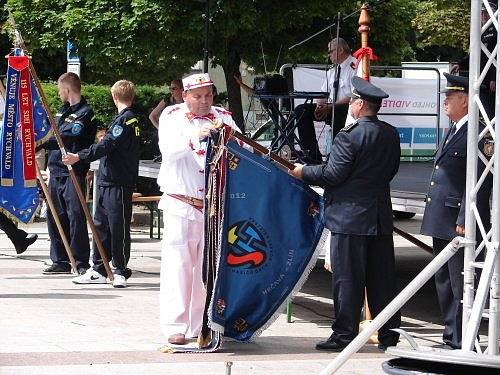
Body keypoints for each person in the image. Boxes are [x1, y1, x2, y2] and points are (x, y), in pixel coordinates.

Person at [289, 76, 401, 351]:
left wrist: (304, 172)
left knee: (348, 280)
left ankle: (343, 335)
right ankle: (389, 335)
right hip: (378, 218)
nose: (350, 104)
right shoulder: (389, 133)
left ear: (361, 104)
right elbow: (391, 171)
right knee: (382, 281)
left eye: (352, 100)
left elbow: (332, 174)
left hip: (350, 219)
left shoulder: (348, 136)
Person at [157, 73, 240, 345]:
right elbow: (169, 150)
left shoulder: (224, 116)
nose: (204, 101)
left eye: (208, 95)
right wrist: (197, 136)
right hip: (181, 201)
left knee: (207, 269)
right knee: (179, 266)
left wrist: (226, 137)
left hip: (213, 206)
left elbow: (241, 148)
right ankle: (175, 325)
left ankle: (200, 325)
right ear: (185, 96)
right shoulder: (172, 116)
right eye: (197, 96)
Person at [420, 73, 492, 349]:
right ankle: (451, 336)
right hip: (442, 217)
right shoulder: (454, 129)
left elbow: (480, 181)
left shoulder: (479, 132)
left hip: (457, 219)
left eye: (449, 98)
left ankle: (463, 338)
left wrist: (465, 217)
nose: (445, 103)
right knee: (444, 281)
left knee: (460, 281)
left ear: (464, 100)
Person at [63, 80, 140, 288]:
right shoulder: (120, 119)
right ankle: (98, 268)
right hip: (107, 181)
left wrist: (79, 156)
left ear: (114, 97)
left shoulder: (127, 120)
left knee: (118, 227)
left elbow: (106, 145)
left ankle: (120, 270)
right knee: (101, 227)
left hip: (118, 183)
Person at [39, 72, 96, 275]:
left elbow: (69, 135)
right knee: (55, 216)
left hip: (74, 172)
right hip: (56, 170)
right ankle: (60, 259)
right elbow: (51, 131)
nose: (58, 93)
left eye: (60, 90)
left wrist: (42, 142)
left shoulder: (85, 112)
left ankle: (79, 261)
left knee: (75, 216)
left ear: (67, 90)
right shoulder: (62, 111)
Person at [294, 37, 356, 163]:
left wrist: (331, 106)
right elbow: (323, 93)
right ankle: (312, 154)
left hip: (347, 109)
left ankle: (336, 158)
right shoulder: (332, 70)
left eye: (330, 51)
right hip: (330, 107)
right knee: (302, 110)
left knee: (338, 112)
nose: (328, 55)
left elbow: (356, 95)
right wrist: (319, 106)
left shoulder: (355, 66)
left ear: (340, 50)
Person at [452, 1, 497, 119]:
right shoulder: (482, 31)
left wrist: (494, 77)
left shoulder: (496, 30)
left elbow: (496, 55)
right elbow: (474, 53)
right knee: (483, 104)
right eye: (482, 13)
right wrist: (460, 64)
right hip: (480, 75)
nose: (483, 16)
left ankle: (492, 128)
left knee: (492, 105)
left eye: (486, 13)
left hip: (491, 76)